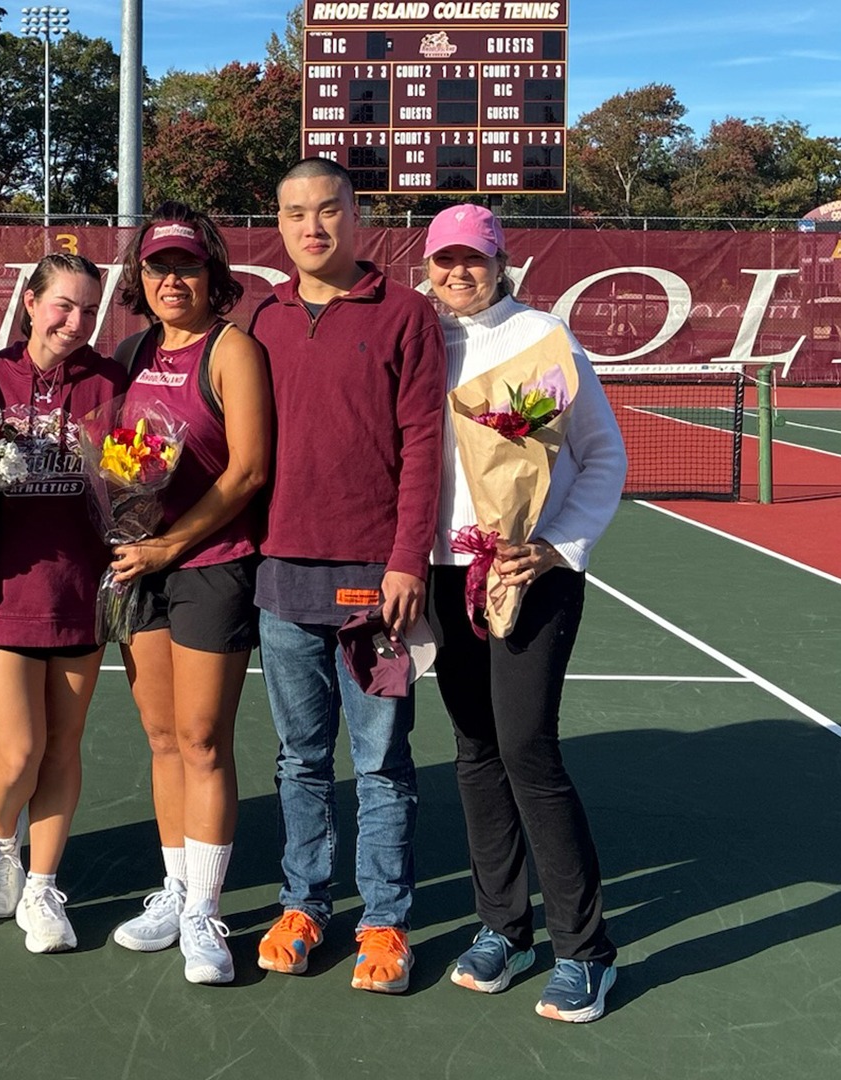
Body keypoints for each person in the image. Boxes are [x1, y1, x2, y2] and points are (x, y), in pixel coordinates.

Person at [421, 203, 628, 1023]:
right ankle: (504, 927)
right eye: (444, 261)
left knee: (527, 750)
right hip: (443, 576)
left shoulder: (545, 338)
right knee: (474, 751)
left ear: (500, 262)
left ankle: (586, 950)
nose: (458, 274)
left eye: (473, 259)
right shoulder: (422, 340)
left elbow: (602, 454)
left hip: (529, 576)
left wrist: (555, 547)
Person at [247, 157, 446, 994]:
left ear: (357, 218)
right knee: (299, 760)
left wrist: (407, 559)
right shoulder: (261, 320)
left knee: (380, 764)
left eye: (328, 211)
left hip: (375, 586)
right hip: (283, 581)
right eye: (296, 214)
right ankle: (303, 903)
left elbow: (424, 444)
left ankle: (385, 922)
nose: (313, 227)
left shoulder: (406, 315)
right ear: (282, 227)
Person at [106, 204, 272, 985]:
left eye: (187, 267)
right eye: (158, 267)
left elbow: (248, 471)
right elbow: (119, 459)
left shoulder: (233, 350)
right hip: (143, 568)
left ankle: (207, 911)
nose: (173, 280)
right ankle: (174, 889)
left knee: (203, 739)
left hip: (214, 563)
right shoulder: (132, 350)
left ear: (213, 276)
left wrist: (174, 542)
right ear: (140, 279)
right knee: (162, 737)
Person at [0, 254, 127, 954]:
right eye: (62, 304)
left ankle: (43, 883)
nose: (75, 321)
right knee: (19, 748)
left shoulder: (110, 382)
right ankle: (3, 839)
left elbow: (134, 476)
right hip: (5, 591)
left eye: (89, 311)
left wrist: (132, 483)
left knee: (63, 743)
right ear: (29, 302)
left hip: (83, 590)